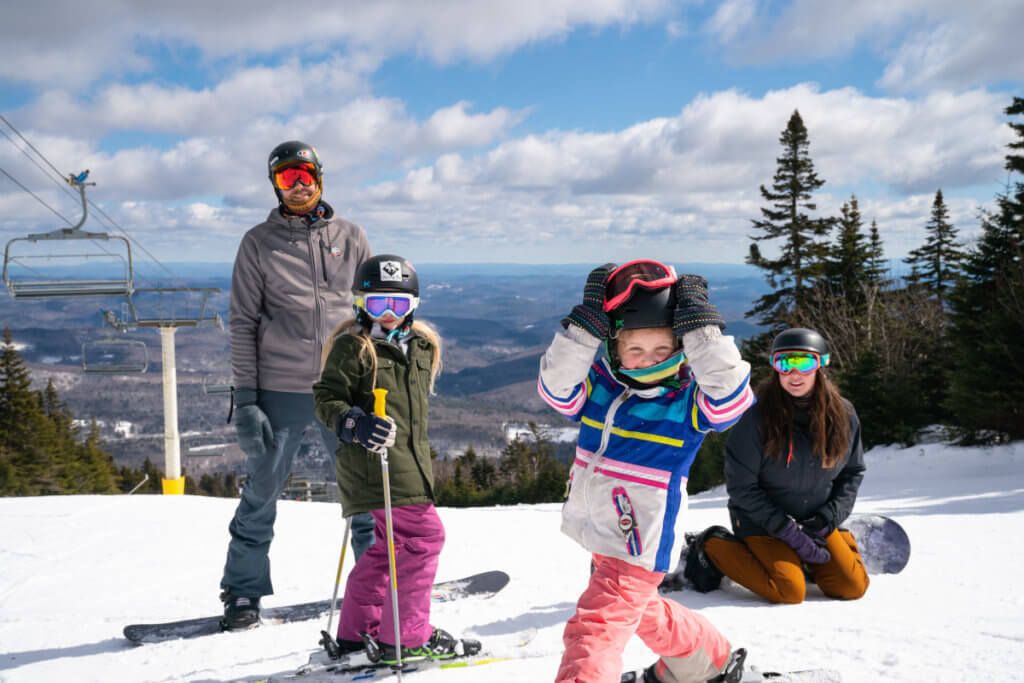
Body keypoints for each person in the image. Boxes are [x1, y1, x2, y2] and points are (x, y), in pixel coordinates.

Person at [538, 260, 755, 683]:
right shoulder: (602, 385)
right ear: (615, 350)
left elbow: (731, 397)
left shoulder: (688, 401)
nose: (647, 361)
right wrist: (582, 330)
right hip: (603, 532)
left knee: (595, 630)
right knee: (641, 611)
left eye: (662, 351)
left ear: (680, 349)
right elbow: (556, 389)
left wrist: (702, 331)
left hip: (639, 544)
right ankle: (710, 660)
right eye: (635, 350)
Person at [220, 140, 376, 630]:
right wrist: (246, 401)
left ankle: (377, 584)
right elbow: (243, 322)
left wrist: (374, 387)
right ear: (275, 185)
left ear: (320, 177)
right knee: (262, 493)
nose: (298, 185)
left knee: (367, 494)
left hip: (344, 387)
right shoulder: (258, 243)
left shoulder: (351, 237)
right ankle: (243, 594)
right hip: (280, 390)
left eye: (304, 175)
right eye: (287, 178)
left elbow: (372, 317)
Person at [314, 254, 465, 664]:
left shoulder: (418, 346)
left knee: (389, 548)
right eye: (379, 304)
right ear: (360, 304)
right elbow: (325, 398)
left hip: (407, 465)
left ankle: (357, 631)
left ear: (413, 306)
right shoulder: (354, 346)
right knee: (422, 540)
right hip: (374, 465)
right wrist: (354, 423)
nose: (389, 315)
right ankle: (406, 636)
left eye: (398, 306)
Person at [682, 327, 869, 605]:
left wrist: (829, 517)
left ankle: (822, 548)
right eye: (784, 364)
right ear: (774, 368)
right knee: (788, 591)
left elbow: (853, 472)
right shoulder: (755, 418)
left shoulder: (843, 414)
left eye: (804, 363)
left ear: (821, 366)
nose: (794, 374)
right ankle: (710, 545)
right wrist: (786, 530)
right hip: (761, 522)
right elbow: (742, 488)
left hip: (814, 522)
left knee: (852, 586)